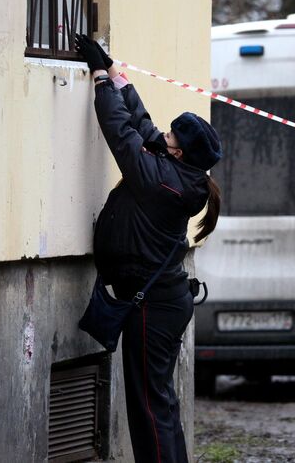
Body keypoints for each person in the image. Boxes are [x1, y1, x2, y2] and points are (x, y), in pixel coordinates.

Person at [75, 34, 221, 463]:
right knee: (159, 402)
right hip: (160, 302)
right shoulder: (179, 171)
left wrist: (100, 81)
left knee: (149, 407)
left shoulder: (165, 181)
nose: (164, 136)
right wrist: (118, 76)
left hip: (153, 307)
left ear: (181, 153)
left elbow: (122, 135)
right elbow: (143, 127)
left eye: (172, 137)